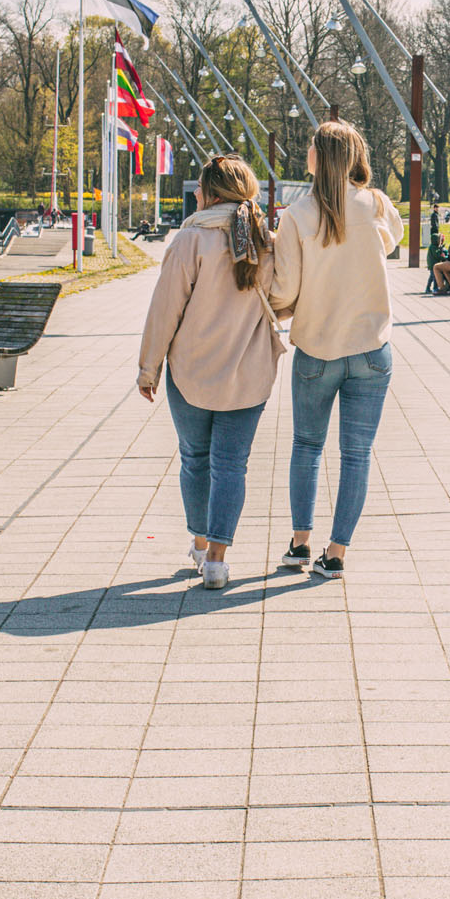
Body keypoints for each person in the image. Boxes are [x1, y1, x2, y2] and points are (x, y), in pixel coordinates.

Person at [137, 154, 281, 590]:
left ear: (211, 193)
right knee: (231, 465)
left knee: (195, 460)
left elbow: (165, 309)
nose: (196, 195)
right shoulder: (264, 241)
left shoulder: (190, 240)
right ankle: (217, 559)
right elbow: (283, 298)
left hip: (191, 372)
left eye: (200, 189)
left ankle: (199, 543)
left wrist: (149, 368)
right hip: (248, 371)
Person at [269, 121, 399, 579]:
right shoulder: (376, 204)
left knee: (306, 445)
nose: (305, 150)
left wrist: (277, 308)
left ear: (320, 156)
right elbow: (391, 241)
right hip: (371, 347)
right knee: (356, 453)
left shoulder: (298, 215)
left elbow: (284, 288)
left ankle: (300, 543)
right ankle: (337, 552)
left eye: (310, 145)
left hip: (318, 348)